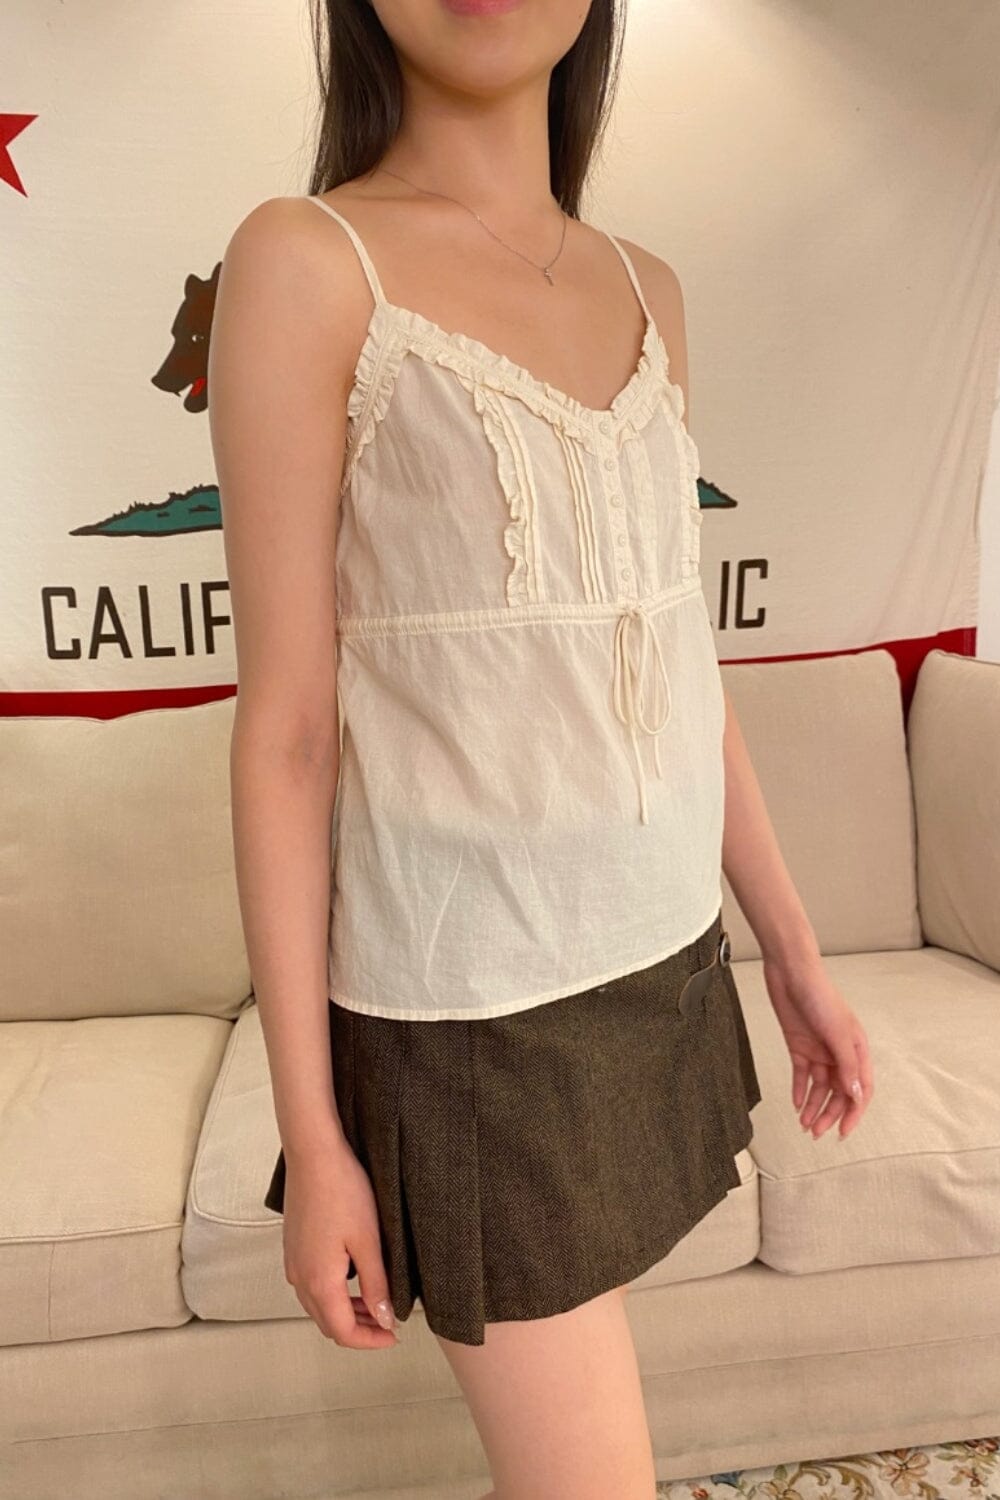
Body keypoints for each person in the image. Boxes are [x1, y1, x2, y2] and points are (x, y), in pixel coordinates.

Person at [208, 2, 875, 1495]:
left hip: (662, 968)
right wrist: (315, 1134)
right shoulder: (310, 261)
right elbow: (290, 734)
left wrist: (792, 951)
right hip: (473, 1021)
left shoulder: (651, 288)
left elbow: (677, 659)